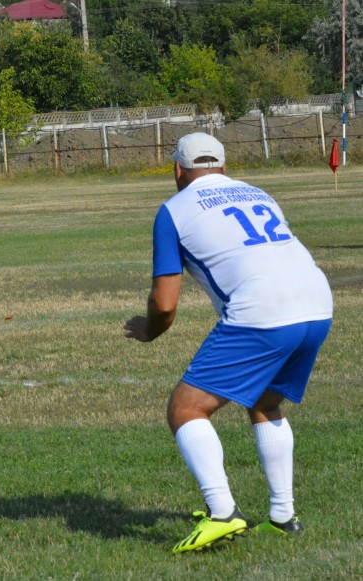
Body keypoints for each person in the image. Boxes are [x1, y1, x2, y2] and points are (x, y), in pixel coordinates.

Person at [124, 132, 333, 554]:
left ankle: (223, 513)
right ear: (222, 166)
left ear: (177, 170)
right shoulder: (258, 192)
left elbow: (165, 305)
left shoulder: (173, 210)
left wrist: (149, 329)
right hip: (318, 304)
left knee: (187, 408)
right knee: (265, 403)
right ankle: (282, 517)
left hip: (264, 311)